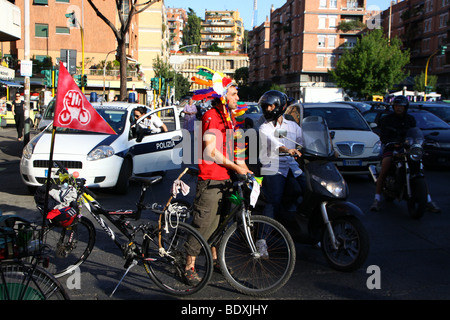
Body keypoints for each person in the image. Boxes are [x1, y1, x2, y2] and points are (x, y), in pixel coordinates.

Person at [184, 77, 253, 285]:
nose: (238, 97)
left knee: (221, 223)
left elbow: (236, 152)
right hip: (211, 179)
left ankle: (215, 260)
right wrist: (235, 167)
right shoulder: (212, 116)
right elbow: (211, 150)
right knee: (203, 223)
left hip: (226, 180)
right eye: (234, 94)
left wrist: (247, 171)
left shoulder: (230, 119)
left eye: (237, 94)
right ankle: (188, 266)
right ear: (223, 97)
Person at [370, 95, 440, 212]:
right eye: (397, 106)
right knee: (385, 166)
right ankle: (376, 199)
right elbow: (383, 135)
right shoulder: (388, 119)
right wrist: (391, 142)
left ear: (405, 107)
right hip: (392, 147)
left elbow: (415, 132)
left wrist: (419, 141)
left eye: (401, 106)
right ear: (394, 107)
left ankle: (428, 200)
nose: (399, 108)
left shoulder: (410, 119)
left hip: (408, 148)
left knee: (419, 169)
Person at [258, 90, 306, 223]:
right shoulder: (264, 127)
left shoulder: (292, 126)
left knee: (307, 191)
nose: (268, 109)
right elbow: (274, 144)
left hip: (292, 166)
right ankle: (262, 238)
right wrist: (287, 149)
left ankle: (290, 221)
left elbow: (302, 142)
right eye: (265, 106)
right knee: (273, 200)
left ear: (280, 106)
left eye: (271, 106)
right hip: (273, 167)